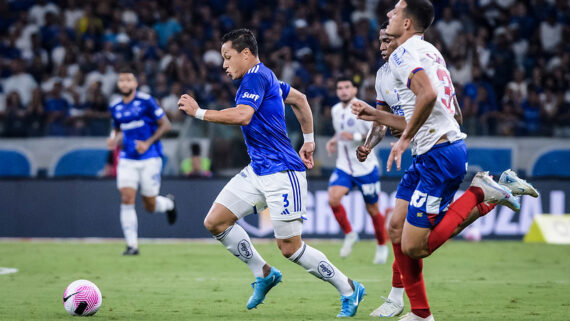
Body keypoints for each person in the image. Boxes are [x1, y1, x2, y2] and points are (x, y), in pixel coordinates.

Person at [352, 3, 538, 320]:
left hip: (437, 155)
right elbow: (451, 111)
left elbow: (427, 98)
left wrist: (407, 136)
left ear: (407, 23)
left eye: (394, 13)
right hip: (429, 154)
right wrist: (376, 117)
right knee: (396, 227)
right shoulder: (430, 52)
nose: (387, 17)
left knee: (415, 246)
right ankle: (416, 311)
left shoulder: (404, 54)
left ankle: (481, 193)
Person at [177, 29, 365, 317]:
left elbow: (243, 115)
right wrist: (310, 140)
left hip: (282, 172)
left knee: (290, 248)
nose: (224, 65)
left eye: (228, 58)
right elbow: (300, 100)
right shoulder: (268, 78)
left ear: (246, 54)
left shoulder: (254, 76)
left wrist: (199, 112)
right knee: (216, 222)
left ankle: (349, 288)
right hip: (258, 170)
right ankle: (264, 273)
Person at [107, 67, 177, 256]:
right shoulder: (115, 106)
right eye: (121, 80)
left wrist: (147, 143)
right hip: (127, 158)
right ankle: (132, 245)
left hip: (150, 157)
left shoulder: (146, 101)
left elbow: (166, 125)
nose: (124, 83)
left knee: (150, 205)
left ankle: (169, 204)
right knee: (127, 198)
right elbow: (116, 129)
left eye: (128, 80)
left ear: (135, 84)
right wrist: (113, 138)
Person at [325, 76, 388, 264]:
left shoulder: (363, 109)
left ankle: (382, 245)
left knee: (373, 209)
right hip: (344, 166)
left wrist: (355, 135)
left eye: (347, 87)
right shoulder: (336, 110)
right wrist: (334, 140)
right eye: (339, 87)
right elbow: (340, 131)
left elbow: (378, 131)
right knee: (333, 199)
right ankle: (350, 234)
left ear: (354, 90)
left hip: (365, 168)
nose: (343, 90)